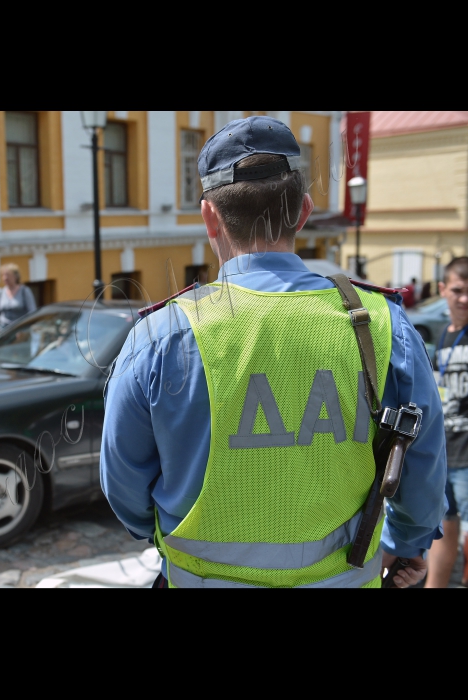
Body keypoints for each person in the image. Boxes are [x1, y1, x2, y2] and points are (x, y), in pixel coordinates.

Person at [100, 116, 447, 589]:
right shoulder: (382, 323)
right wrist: (410, 543)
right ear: (303, 211)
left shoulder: (160, 335)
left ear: (210, 217)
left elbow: (123, 481)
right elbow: (422, 460)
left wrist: (157, 531)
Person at [426, 257, 468, 587]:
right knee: (443, 529)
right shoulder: (441, 337)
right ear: (443, 290)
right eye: (457, 290)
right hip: (446, 454)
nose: (464, 298)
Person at [0, 263, 37, 333]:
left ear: (15, 276)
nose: (5, 278)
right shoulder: (0, 292)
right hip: (4, 331)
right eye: (3, 275)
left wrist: (26, 329)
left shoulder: (24, 291)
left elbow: (32, 312)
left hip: (20, 330)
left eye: (8, 275)